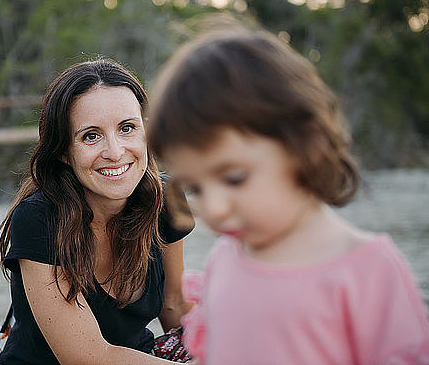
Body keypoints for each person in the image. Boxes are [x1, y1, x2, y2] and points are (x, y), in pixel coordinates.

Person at [146, 24, 429, 364]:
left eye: (234, 178)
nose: (215, 209)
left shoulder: (368, 272)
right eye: (195, 188)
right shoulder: (225, 260)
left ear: (302, 143)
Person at [0, 59, 195, 365]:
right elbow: (87, 357)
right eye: (91, 136)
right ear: (63, 151)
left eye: (127, 128)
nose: (114, 152)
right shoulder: (39, 218)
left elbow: (175, 307)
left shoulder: (166, 199)